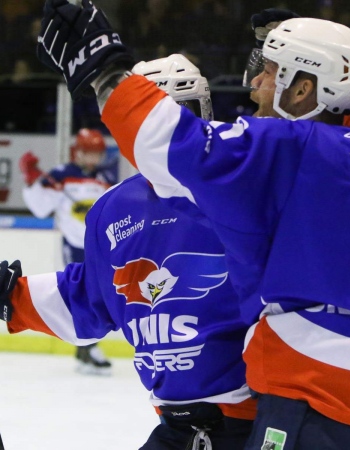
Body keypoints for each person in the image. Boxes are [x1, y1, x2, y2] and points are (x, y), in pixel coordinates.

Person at [34, 2, 350, 449]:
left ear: (303, 88)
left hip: (323, 400)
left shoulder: (286, 151)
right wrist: (314, 49)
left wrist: (104, 69)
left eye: (270, 71)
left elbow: (173, 144)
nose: (254, 84)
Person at [1, 54, 256, 450]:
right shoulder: (113, 207)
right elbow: (92, 295)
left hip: (257, 423)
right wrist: (12, 297)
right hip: (174, 429)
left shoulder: (245, 182)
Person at [18, 127, 115, 375]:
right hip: (73, 245)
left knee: (100, 294)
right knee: (84, 293)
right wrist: (31, 181)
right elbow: (41, 207)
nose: (93, 159)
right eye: (88, 153)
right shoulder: (61, 176)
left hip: (98, 246)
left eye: (97, 153)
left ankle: (85, 348)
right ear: (78, 152)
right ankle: (89, 347)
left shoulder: (104, 177)